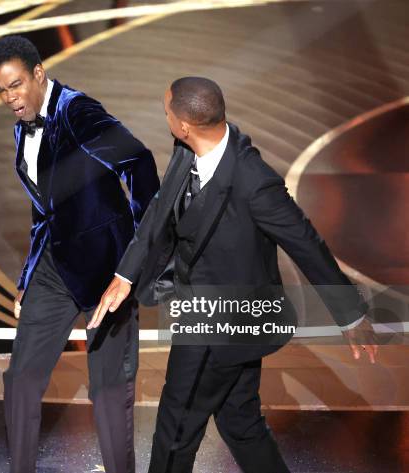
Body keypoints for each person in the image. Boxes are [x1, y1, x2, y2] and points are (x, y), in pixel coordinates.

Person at [90, 77, 378, 473]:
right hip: (213, 314)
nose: (167, 118)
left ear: (185, 124)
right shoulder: (186, 149)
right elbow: (160, 208)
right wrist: (125, 274)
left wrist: (350, 313)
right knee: (240, 423)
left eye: (167, 111)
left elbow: (305, 242)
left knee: (175, 430)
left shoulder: (254, 181)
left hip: (222, 322)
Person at [0, 36, 159, 473]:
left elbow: (138, 164)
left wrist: (134, 263)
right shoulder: (21, 125)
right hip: (54, 269)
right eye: (2, 90)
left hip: (107, 272)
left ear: (39, 73)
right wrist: (28, 275)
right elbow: (45, 209)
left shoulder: (78, 112)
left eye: (17, 85)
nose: (10, 98)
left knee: (107, 389)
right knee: (21, 379)